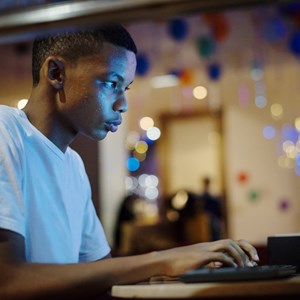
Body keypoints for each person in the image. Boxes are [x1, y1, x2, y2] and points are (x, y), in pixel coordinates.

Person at [0, 24, 259, 299]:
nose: (123, 103)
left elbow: (100, 274)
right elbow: (8, 281)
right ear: (56, 73)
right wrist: (163, 260)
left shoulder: (73, 165)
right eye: (112, 83)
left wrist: (185, 268)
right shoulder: (6, 132)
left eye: (126, 87)